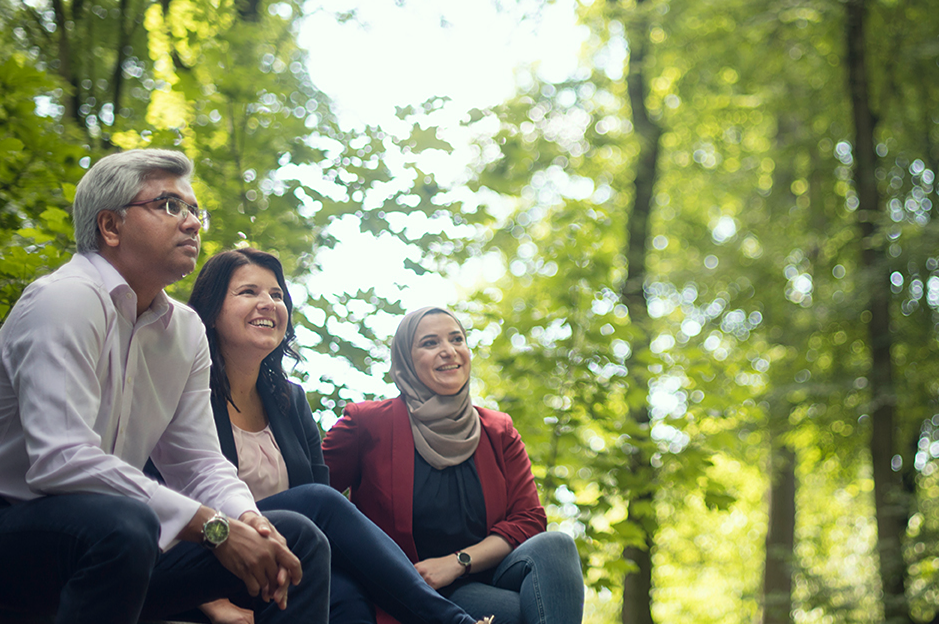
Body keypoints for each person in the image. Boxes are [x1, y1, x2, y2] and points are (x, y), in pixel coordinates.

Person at [0, 149, 329, 624]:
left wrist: (246, 518)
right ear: (110, 227)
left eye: (196, 211)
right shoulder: (64, 300)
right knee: (125, 525)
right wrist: (213, 527)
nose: (193, 223)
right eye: (170, 206)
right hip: (19, 531)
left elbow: (197, 462)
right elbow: (62, 461)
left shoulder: (187, 330)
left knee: (293, 536)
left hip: (118, 541)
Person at [185, 248, 492, 624]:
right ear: (212, 311)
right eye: (249, 292)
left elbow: (319, 504)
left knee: (348, 598)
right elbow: (161, 495)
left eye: (277, 295)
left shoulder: (289, 401)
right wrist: (215, 605)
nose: (268, 303)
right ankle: (450, 621)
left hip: (283, 562)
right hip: (212, 552)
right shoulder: (187, 390)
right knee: (320, 502)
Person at [322, 307, 585, 624]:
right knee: (521, 612)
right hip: (409, 592)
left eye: (456, 339)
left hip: (484, 578)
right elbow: (313, 499)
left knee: (555, 545)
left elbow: (528, 519)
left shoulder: (498, 430)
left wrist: (458, 562)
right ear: (406, 359)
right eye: (430, 343)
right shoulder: (367, 423)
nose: (449, 351)